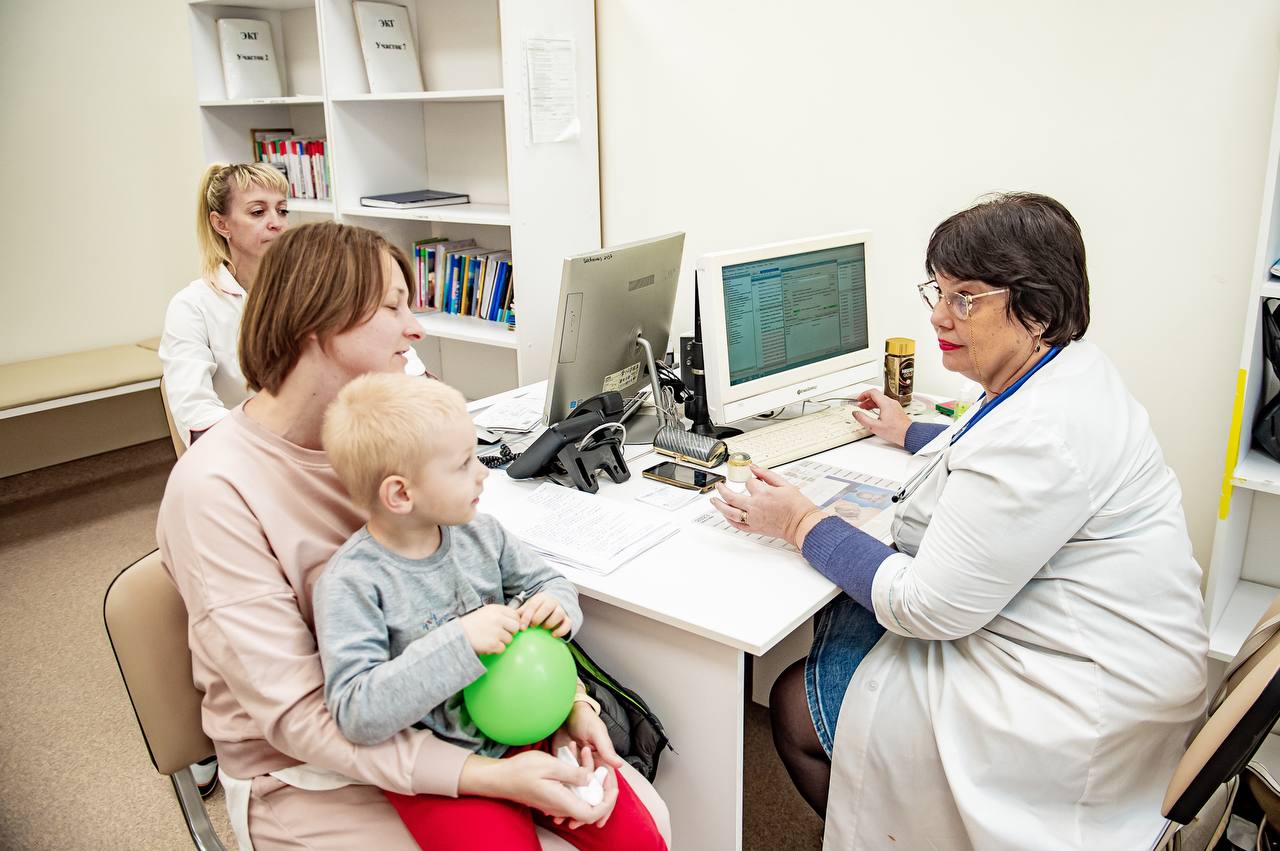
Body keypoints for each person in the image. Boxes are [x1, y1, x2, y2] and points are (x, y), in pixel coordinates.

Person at [710, 193, 1208, 849]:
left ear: (1036, 308)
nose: (940, 316)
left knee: (795, 707)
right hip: (1114, 654)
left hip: (1073, 704)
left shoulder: (1044, 431)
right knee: (848, 608)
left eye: (965, 298)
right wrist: (906, 429)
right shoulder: (1064, 371)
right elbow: (984, 446)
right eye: (937, 292)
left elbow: (924, 605)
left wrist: (800, 521)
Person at [156, 221, 670, 850]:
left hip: (464, 715)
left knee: (645, 818)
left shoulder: (401, 445)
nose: (416, 328)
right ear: (316, 323)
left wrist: (561, 708)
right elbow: (301, 718)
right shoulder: (214, 491)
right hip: (315, 772)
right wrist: (486, 777)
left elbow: (479, 593)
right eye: (392, 307)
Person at [315, 373, 667, 851]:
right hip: (448, 774)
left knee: (639, 840)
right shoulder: (352, 583)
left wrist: (557, 607)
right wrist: (460, 642)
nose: (483, 473)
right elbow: (356, 711)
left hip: (531, 731)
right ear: (400, 494)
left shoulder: (482, 533)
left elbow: (549, 582)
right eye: (463, 465)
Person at [159, 163, 427, 446]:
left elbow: (406, 364)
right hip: (252, 454)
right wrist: (277, 451)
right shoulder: (192, 306)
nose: (276, 222)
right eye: (258, 212)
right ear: (221, 224)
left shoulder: (318, 288)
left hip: (342, 443)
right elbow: (196, 412)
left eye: (282, 210)